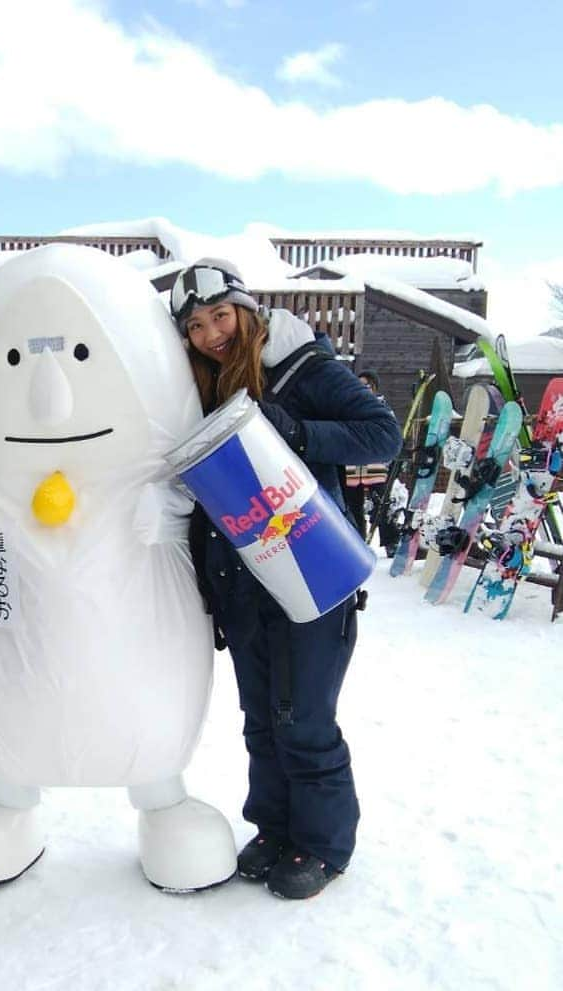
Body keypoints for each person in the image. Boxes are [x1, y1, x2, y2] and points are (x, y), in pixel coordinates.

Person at [170, 259, 401, 899]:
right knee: (261, 719)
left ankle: (322, 844)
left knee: (303, 720)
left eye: (220, 315)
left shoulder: (301, 368)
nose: (213, 333)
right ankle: (274, 827)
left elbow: (382, 435)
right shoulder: (200, 390)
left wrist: (295, 430)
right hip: (241, 579)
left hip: (310, 568)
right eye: (196, 324)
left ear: (245, 310)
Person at [344, 370, 399, 554]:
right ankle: (358, 540)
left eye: (366, 386)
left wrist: (387, 459)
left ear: (374, 387)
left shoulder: (381, 408)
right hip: (353, 462)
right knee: (354, 505)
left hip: (374, 462)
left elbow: (390, 436)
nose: (363, 389)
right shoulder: (350, 408)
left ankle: (390, 540)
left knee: (380, 502)